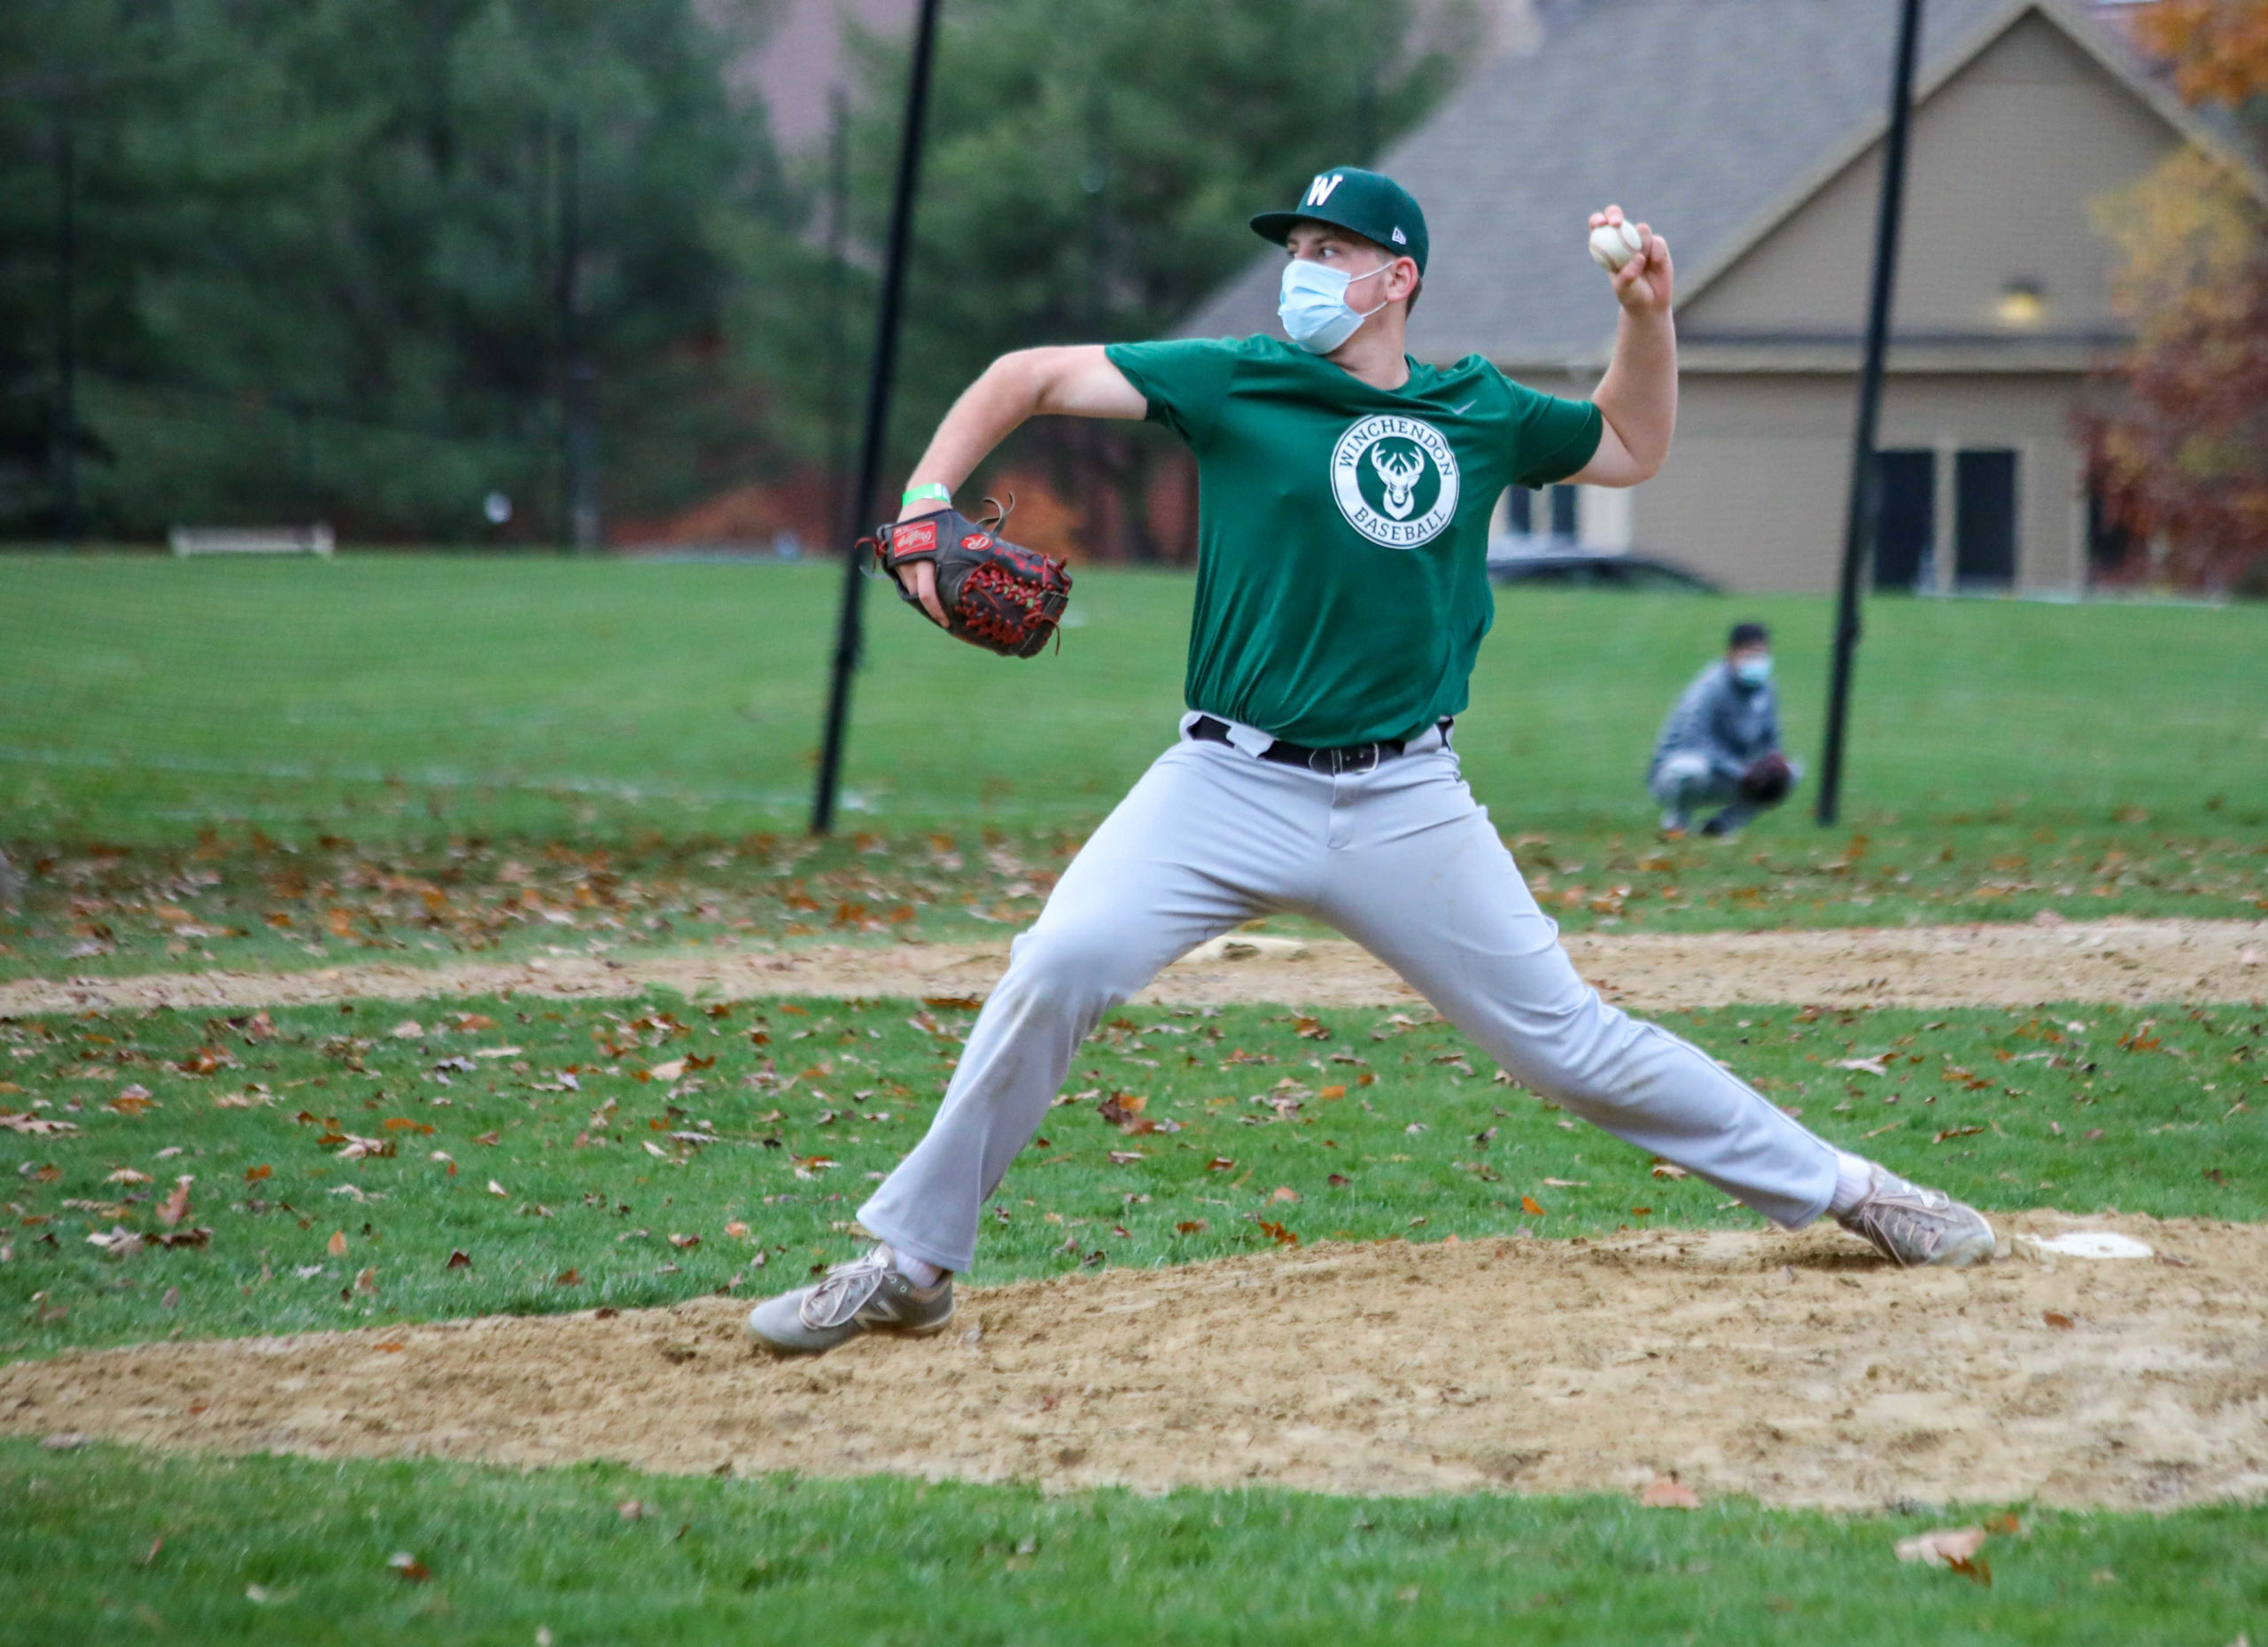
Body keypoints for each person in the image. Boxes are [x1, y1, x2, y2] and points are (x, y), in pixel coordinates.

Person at [748, 167, 1992, 1356]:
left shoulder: (1479, 411)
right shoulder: (1240, 383)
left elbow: (1628, 443)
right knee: (1059, 961)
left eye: (1328, 252)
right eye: (1295, 251)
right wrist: (924, 500)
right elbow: (1028, 375)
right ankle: (911, 1266)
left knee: (1568, 1043)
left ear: (1397, 278)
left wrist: (1645, 315)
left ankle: (1856, 1188)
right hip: (1224, 781)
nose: (1300, 271)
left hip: (1406, 797)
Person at [1648, 621, 1798, 839]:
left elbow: (1771, 740)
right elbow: (1695, 741)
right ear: (1730, 654)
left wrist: (1774, 762)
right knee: (1692, 769)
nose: (1757, 661)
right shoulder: (1710, 686)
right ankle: (1677, 823)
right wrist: (1742, 772)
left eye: (1762, 655)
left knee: (1790, 773)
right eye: (1750, 654)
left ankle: (1718, 828)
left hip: (1727, 774)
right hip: (1673, 775)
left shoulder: (1766, 688)